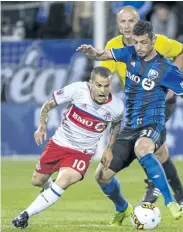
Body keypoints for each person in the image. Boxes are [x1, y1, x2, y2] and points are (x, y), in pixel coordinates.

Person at [77, 20, 183, 224]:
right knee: (102, 176)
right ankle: (122, 208)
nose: (139, 47)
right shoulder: (129, 53)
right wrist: (92, 52)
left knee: (142, 148)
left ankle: (171, 201)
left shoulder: (167, 69)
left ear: (153, 40)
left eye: (144, 42)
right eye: (136, 42)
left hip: (153, 124)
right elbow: (104, 55)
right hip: (129, 127)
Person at [100, 5, 183, 211]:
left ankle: (154, 188)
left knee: (143, 144)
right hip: (136, 105)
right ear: (117, 25)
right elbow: (103, 73)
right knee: (159, 152)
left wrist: (170, 83)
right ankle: (182, 196)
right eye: (122, 22)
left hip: (160, 101)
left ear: (139, 22)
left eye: (131, 21)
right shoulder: (114, 46)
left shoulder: (157, 41)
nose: (127, 26)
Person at [12, 67, 125, 229]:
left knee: (64, 180)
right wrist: (42, 125)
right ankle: (48, 192)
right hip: (58, 144)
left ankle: (24, 215)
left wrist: (109, 148)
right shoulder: (78, 90)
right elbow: (49, 104)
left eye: (107, 86)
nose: (103, 90)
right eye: (99, 85)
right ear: (90, 84)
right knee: (37, 181)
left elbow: (116, 125)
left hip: (82, 153)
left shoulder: (116, 106)